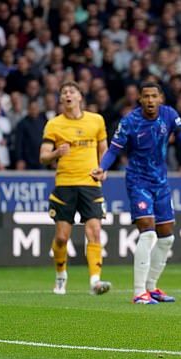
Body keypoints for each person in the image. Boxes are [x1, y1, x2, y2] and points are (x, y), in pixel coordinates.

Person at [90, 82, 181, 305]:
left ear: (161, 98)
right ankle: (138, 293)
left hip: (161, 183)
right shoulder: (130, 122)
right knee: (147, 232)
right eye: (146, 96)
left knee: (167, 236)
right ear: (140, 99)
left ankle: (151, 287)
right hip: (138, 181)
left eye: (154, 96)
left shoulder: (169, 114)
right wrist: (102, 167)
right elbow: (114, 149)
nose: (150, 100)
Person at [39, 81, 111, 296]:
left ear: (80, 96)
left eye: (72, 91)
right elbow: (43, 157)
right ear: (61, 100)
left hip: (90, 184)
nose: (68, 95)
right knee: (62, 237)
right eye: (64, 92)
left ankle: (95, 281)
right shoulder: (54, 125)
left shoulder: (96, 120)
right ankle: (61, 275)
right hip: (65, 185)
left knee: (95, 231)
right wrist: (55, 154)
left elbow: (103, 148)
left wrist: (103, 169)